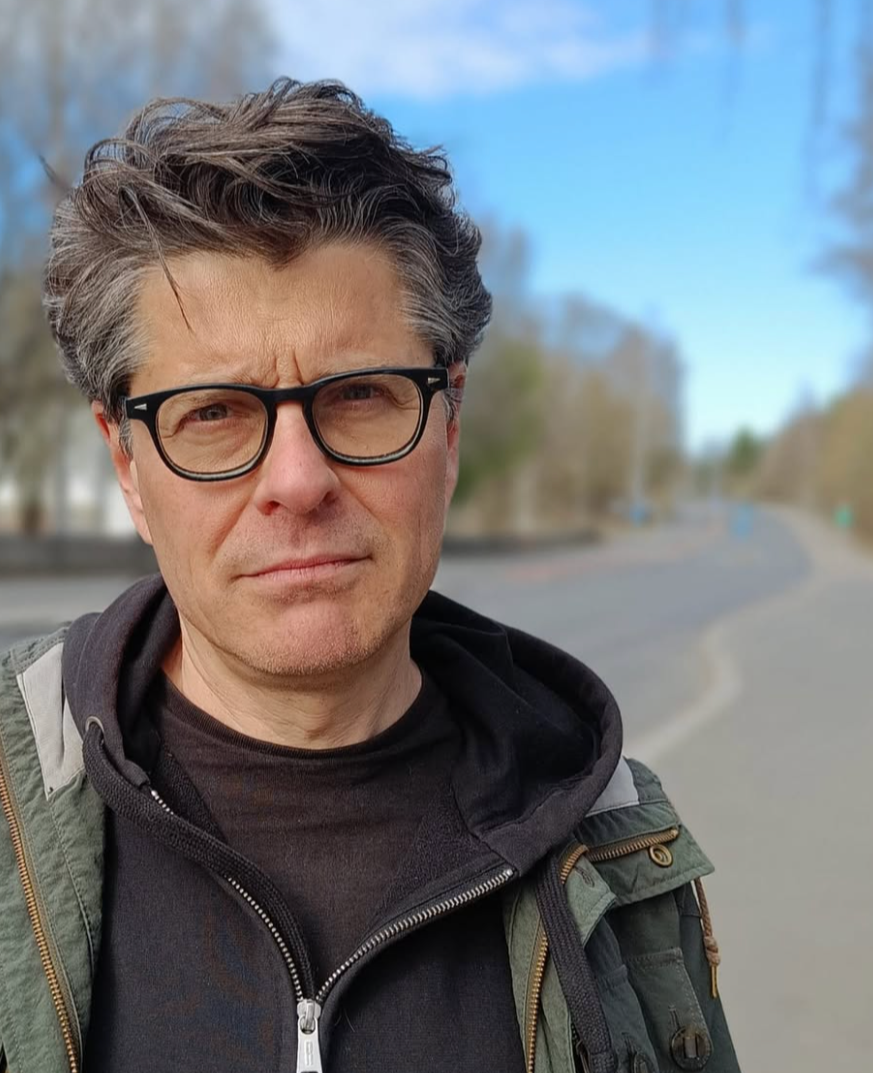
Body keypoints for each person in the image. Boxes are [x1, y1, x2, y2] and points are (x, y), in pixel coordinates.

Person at [0, 79, 740, 1073]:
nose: (296, 481)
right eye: (213, 412)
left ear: (449, 426)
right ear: (127, 463)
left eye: (358, 395)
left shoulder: (616, 841)